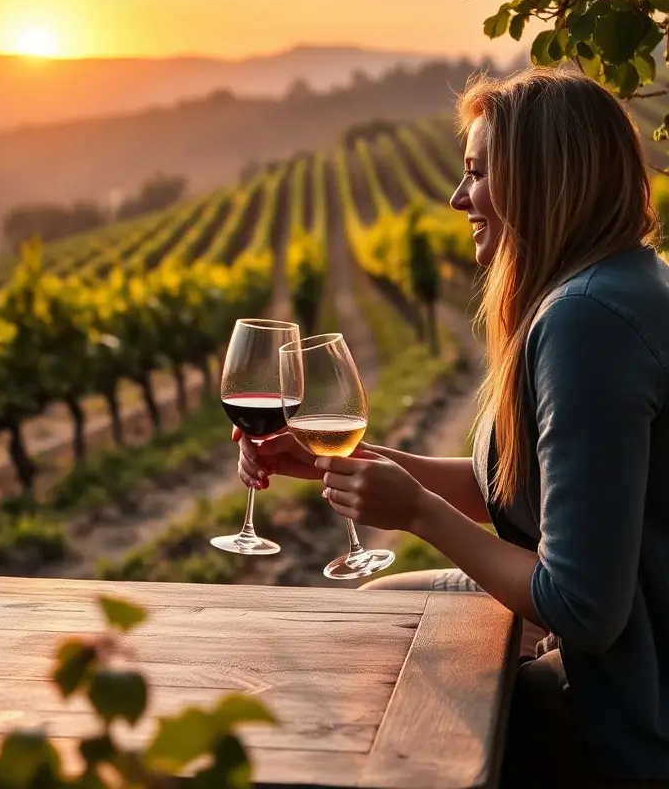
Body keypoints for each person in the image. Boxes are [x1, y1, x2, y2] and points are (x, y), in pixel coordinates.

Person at [236, 69, 669, 788]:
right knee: (374, 619)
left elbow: (582, 607)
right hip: (620, 654)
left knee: (368, 695)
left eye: (477, 174)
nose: (457, 198)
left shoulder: (589, 322)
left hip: (625, 712)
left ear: (539, 182)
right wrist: (331, 460)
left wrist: (418, 515)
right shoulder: (616, 283)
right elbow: (515, 488)